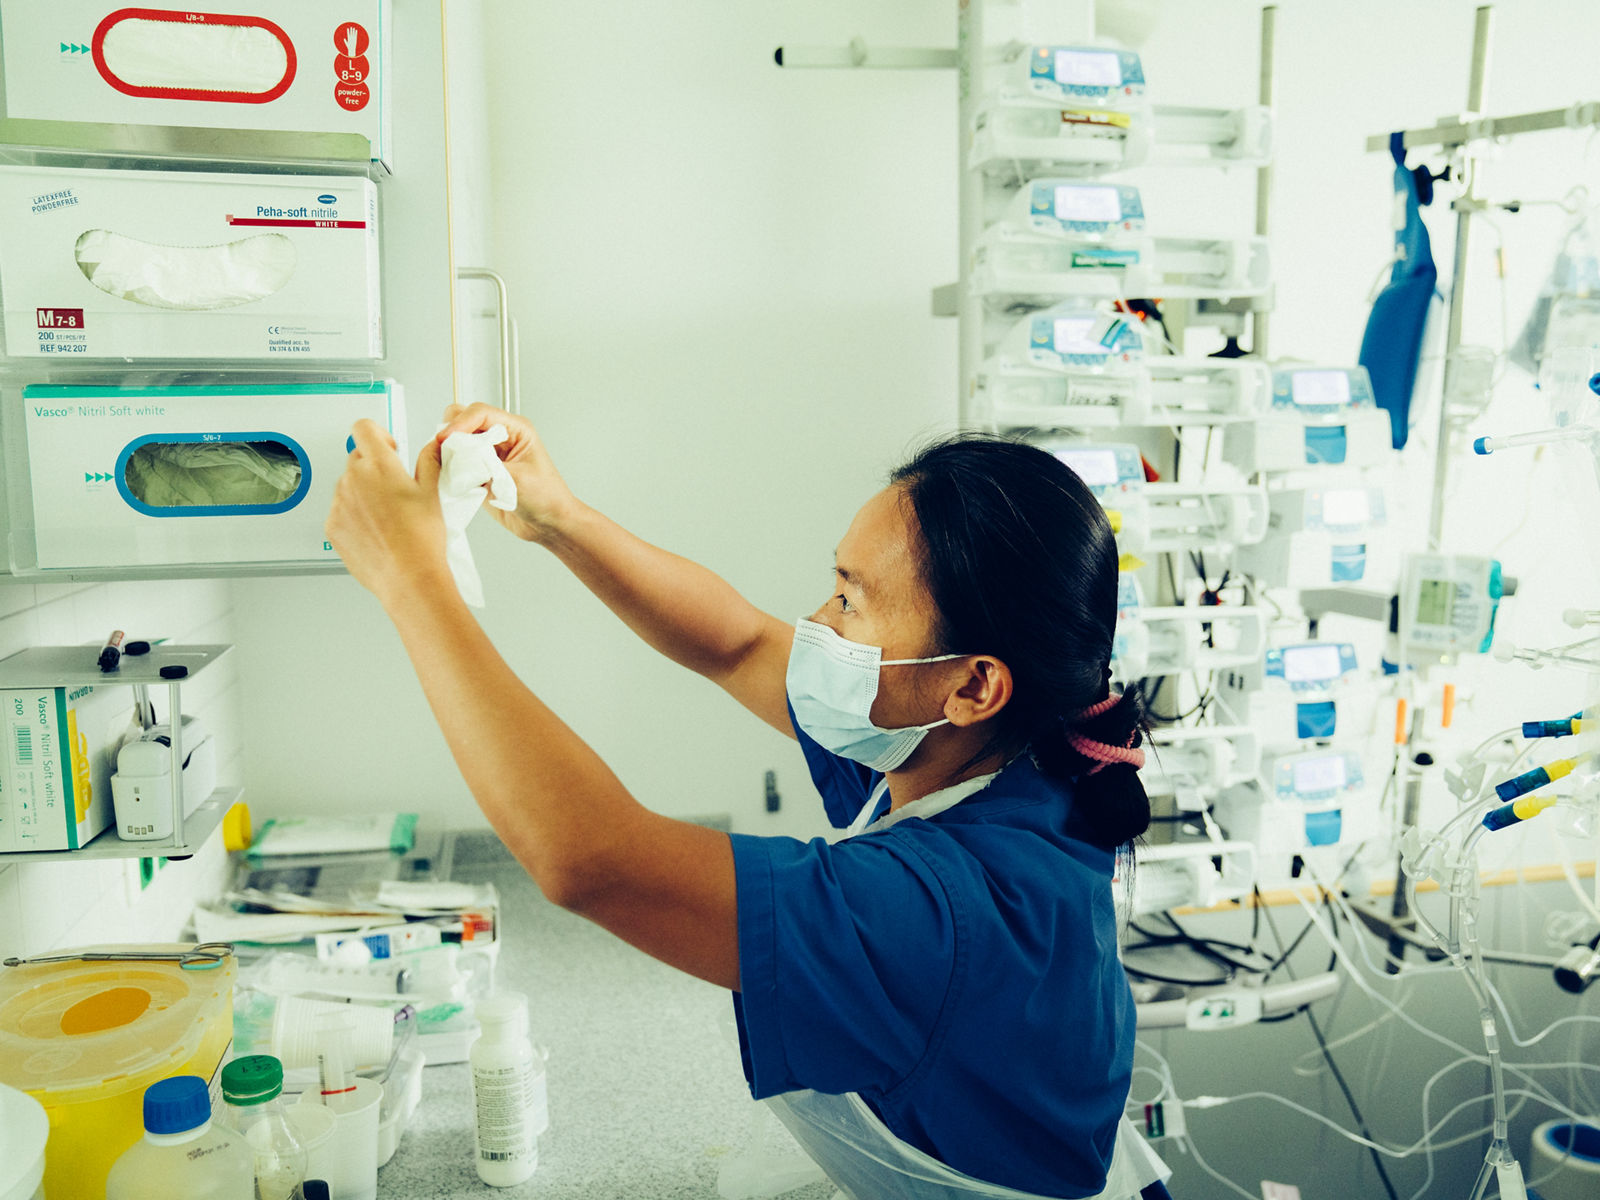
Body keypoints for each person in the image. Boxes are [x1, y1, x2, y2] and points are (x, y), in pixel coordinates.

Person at [326, 405, 1172, 1200]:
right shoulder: (980, 757)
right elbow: (737, 645)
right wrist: (556, 516)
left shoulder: (946, 908)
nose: (814, 621)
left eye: (850, 600)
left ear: (974, 683)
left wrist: (414, 583)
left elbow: (594, 859)